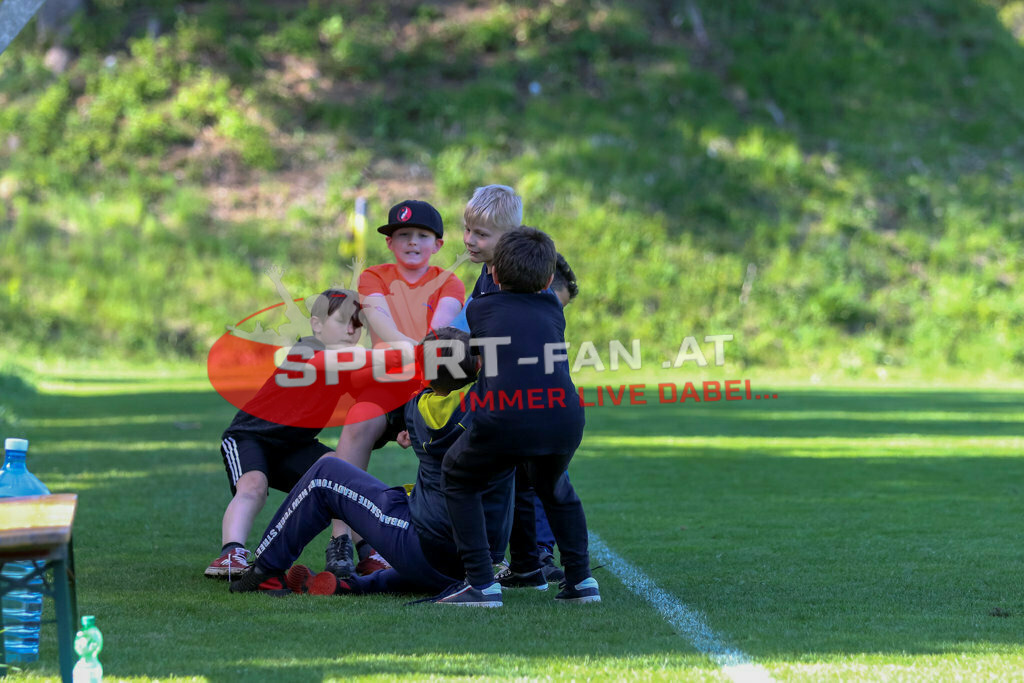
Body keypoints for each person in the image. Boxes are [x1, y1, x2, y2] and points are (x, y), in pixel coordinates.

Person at [228, 328, 515, 603]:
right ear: (478, 367)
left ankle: (264, 570)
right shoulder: (497, 407)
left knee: (325, 473)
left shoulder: (417, 410)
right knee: (403, 503)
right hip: (477, 563)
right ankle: (350, 585)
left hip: (428, 547)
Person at [439, 228, 600, 606]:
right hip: (563, 416)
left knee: (458, 475)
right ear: (549, 281)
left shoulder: (479, 308)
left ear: (493, 274)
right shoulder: (552, 308)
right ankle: (581, 580)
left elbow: (474, 354)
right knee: (555, 487)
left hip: (506, 415)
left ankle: (481, 582)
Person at [323, 199, 466, 579]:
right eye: (403, 235)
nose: (412, 242)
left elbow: (439, 335)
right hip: (385, 385)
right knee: (356, 425)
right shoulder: (373, 276)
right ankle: (341, 539)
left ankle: (462, 543)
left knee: (455, 447)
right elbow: (382, 326)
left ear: (437, 244)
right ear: (390, 243)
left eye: (422, 235)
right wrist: (416, 353)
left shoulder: (449, 282)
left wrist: (415, 407)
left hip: (428, 388)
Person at [205, 289, 366, 579]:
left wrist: (399, 427)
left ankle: (362, 553)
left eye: (358, 323)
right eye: (342, 320)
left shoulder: (346, 364)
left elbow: (370, 401)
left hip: (296, 445)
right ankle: (231, 552)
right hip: (250, 437)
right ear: (317, 325)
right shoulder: (308, 350)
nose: (351, 329)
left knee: (343, 473)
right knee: (253, 486)